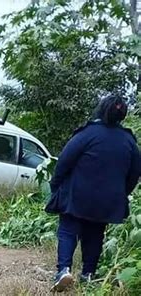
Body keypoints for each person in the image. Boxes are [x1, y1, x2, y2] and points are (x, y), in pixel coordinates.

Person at [46, 95, 140, 292]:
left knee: (68, 230)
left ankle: (64, 270)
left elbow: (64, 161)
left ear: (101, 109)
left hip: (79, 195)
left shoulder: (87, 133)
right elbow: (134, 173)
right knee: (95, 235)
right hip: (108, 201)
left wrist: (56, 186)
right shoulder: (129, 140)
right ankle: (88, 274)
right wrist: (122, 193)